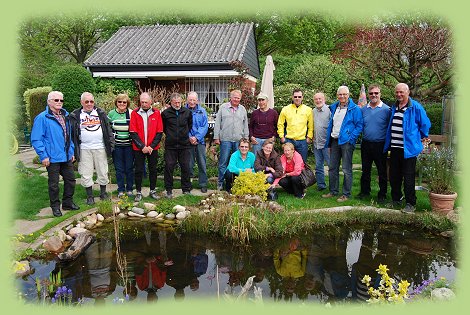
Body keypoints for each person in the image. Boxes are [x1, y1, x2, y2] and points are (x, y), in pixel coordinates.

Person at [384, 83, 431, 213]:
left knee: (408, 177)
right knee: (394, 176)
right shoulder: (394, 107)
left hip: (408, 150)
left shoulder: (415, 107)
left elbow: (425, 125)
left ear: (408, 92)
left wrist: (418, 138)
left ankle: (411, 203)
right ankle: (396, 199)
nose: (399, 94)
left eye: (401, 92)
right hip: (395, 148)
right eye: (397, 92)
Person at [31, 91, 79, 217]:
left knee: (71, 180)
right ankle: (55, 207)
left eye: (61, 100)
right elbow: (36, 139)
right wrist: (43, 155)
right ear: (49, 101)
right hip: (52, 157)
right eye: (56, 100)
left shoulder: (65, 116)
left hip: (66, 156)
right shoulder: (42, 118)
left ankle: (67, 203)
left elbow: (68, 136)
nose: (59, 102)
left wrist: (71, 151)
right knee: (54, 185)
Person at [70, 92, 114, 206]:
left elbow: (108, 130)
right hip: (84, 148)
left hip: (100, 147)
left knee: (103, 171)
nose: (89, 104)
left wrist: (111, 144)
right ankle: (90, 196)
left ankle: (103, 193)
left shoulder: (101, 113)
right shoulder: (75, 115)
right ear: (82, 102)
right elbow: (71, 134)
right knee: (86, 173)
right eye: (86, 102)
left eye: (91, 101)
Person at [322, 86, 363, 202]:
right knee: (332, 167)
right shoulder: (334, 107)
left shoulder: (355, 109)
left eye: (344, 94)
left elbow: (359, 125)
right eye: (340, 94)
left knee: (346, 169)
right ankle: (333, 191)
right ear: (337, 95)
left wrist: (351, 138)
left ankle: (346, 193)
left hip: (346, 142)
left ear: (348, 95)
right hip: (334, 140)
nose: (342, 96)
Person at [357, 84, 391, 203]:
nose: (374, 95)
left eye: (376, 93)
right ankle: (365, 191)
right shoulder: (363, 109)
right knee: (365, 170)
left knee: (382, 171)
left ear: (380, 94)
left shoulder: (387, 110)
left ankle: (382, 194)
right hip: (366, 143)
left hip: (380, 144)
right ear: (368, 95)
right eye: (371, 93)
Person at [129, 92, 163, 202]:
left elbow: (159, 132)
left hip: (153, 148)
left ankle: (152, 190)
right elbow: (132, 132)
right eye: (142, 102)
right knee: (138, 170)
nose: (144, 104)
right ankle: (138, 192)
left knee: (153, 169)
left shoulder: (156, 113)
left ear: (150, 102)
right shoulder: (134, 113)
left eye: (146, 102)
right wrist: (142, 146)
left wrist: (151, 146)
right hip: (138, 148)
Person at [213, 89, 249, 191]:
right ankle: (220, 182)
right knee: (223, 162)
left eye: (238, 98)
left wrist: (246, 138)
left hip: (239, 140)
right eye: (235, 97)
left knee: (238, 162)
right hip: (225, 139)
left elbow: (245, 124)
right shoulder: (223, 107)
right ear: (231, 97)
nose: (236, 99)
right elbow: (217, 123)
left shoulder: (242, 109)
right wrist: (216, 137)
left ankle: (235, 183)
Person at [161, 93, 193, 198]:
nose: (177, 104)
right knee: (169, 167)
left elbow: (189, 125)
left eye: (179, 102)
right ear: (171, 102)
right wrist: (171, 135)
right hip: (171, 145)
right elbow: (164, 128)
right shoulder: (165, 113)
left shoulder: (187, 112)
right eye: (175, 103)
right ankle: (169, 190)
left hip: (184, 145)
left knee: (185, 167)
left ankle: (186, 189)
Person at [108, 94, 134, 198]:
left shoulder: (131, 113)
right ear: (116, 103)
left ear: (127, 103)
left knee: (129, 168)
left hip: (129, 145)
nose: (122, 104)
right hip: (117, 146)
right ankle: (120, 189)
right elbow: (108, 129)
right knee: (119, 169)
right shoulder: (111, 113)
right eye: (120, 102)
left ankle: (130, 189)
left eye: (124, 102)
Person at [277, 88, 314, 162]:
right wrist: (281, 136)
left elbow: (311, 125)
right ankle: (288, 174)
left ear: (302, 97)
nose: (297, 98)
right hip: (289, 140)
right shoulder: (285, 109)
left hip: (302, 141)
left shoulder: (308, 110)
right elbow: (280, 124)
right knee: (288, 162)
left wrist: (309, 137)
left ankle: (302, 174)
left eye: (299, 97)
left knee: (302, 163)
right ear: (292, 97)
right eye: (295, 96)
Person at [186, 91, 209, 193]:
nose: (192, 102)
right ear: (187, 100)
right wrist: (190, 137)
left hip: (200, 142)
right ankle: (188, 184)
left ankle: (203, 184)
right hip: (188, 142)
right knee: (189, 164)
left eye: (194, 100)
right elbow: (183, 126)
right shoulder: (184, 111)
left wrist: (196, 137)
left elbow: (204, 126)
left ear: (197, 100)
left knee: (202, 164)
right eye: (190, 100)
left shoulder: (202, 111)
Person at [312, 92, 331, 191]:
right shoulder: (313, 111)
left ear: (324, 99)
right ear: (314, 100)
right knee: (318, 166)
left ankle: (333, 187)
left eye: (320, 99)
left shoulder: (329, 110)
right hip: (316, 143)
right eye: (316, 99)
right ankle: (321, 186)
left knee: (331, 166)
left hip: (327, 144)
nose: (318, 101)